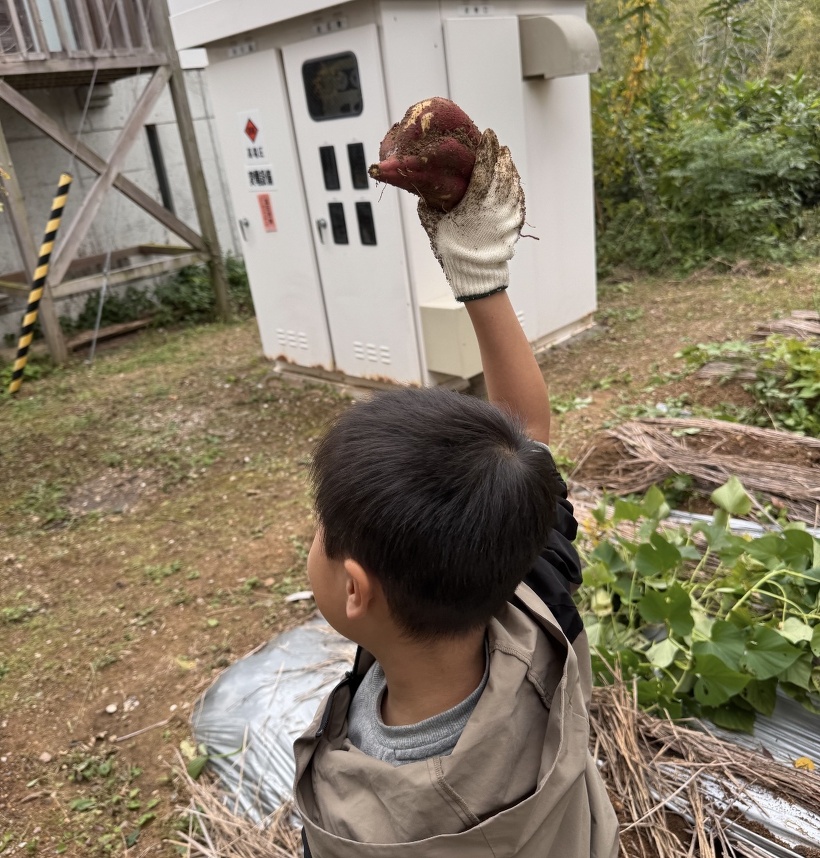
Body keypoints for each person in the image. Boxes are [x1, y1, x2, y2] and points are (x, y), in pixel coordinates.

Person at [293, 129, 619, 857]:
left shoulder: (356, 826)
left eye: (319, 527)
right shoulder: (536, 618)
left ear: (355, 588)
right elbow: (525, 436)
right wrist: (482, 278)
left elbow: (525, 442)